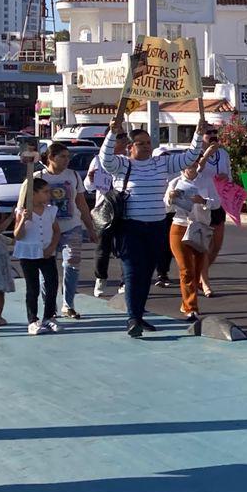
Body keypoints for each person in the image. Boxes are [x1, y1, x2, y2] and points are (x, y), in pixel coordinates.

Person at [97, 111, 205, 337]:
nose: (146, 147)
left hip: (156, 227)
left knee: (146, 273)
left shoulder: (161, 163)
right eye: (140, 143)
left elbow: (189, 157)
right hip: (130, 227)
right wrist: (112, 133)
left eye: (148, 143)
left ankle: (139, 314)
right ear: (130, 147)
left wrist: (198, 135)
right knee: (132, 272)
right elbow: (105, 159)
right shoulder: (121, 165)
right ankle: (133, 318)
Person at [36, 141, 94, 319]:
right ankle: (49, 307)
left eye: (68, 157)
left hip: (72, 227)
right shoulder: (38, 177)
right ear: (51, 158)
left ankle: (68, 304)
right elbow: (29, 203)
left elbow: (81, 203)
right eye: (63, 157)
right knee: (46, 269)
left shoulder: (74, 176)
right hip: (46, 229)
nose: (67, 160)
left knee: (72, 263)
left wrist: (90, 228)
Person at [164, 150, 219, 322]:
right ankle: (191, 308)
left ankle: (186, 301)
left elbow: (217, 203)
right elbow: (166, 207)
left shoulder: (206, 181)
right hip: (179, 226)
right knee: (186, 269)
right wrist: (171, 198)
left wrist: (202, 201)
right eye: (188, 164)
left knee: (196, 269)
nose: (191, 167)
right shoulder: (175, 182)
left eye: (194, 164)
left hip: (200, 227)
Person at [189, 121, 232, 298]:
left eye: (215, 133)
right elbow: (193, 173)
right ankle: (205, 282)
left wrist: (225, 179)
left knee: (216, 245)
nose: (213, 136)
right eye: (209, 134)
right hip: (201, 203)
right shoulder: (193, 154)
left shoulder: (223, 154)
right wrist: (206, 155)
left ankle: (200, 272)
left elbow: (229, 174)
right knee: (204, 246)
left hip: (218, 201)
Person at [14, 175, 61, 335]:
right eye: (45, 192)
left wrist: (51, 248)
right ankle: (32, 320)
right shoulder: (22, 211)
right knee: (32, 287)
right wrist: (23, 221)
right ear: (33, 194)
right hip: (28, 253)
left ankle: (49, 317)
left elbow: (56, 231)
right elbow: (17, 235)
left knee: (52, 284)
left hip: (47, 252)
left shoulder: (50, 210)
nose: (49, 195)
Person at [88, 133, 129, 298]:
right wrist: (91, 178)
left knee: (125, 246)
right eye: (121, 139)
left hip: (125, 207)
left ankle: (125, 282)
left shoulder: (128, 160)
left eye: (126, 140)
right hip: (104, 208)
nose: (125, 143)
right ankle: (100, 278)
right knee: (103, 247)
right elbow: (89, 186)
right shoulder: (98, 159)